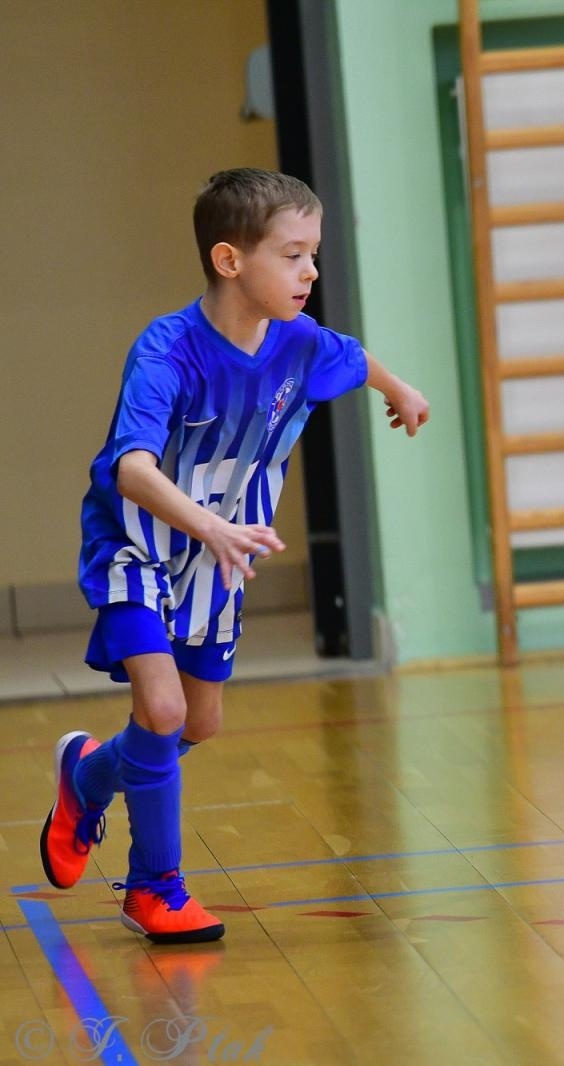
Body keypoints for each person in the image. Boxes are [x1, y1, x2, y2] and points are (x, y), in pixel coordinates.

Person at [40, 168, 430, 942]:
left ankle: (86, 777)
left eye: (313, 254)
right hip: (140, 543)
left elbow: (351, 357)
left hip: (218, 559)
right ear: (229, 261)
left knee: (198, 723)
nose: (310, 271)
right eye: (293, 255)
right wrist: (210, 528)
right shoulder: (166, 351)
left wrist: (401, 389)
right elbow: (133, 468)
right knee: (163, 709)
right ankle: (156, 890)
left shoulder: (300, 343)